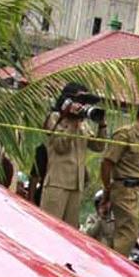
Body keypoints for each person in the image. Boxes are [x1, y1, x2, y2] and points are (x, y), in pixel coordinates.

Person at [39, 83, 107, 230]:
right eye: (79, 101)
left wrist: (102, 125)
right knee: (49, 228)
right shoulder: (55, 118)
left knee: (68, 231)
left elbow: (99, 146)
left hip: (76, 185)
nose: (81, 106)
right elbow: (61, 147)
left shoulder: (82, 123)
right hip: (57, 183)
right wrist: (72, 123)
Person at [100, 101, 139, 257]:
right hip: (123, 189)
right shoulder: (125, 134)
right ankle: (114, 268)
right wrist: (107, 188)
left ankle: (111, 261)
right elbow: (107, 163)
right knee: (129, 232)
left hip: (135, 191)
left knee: (126, 233)